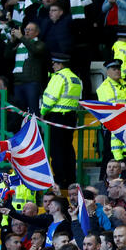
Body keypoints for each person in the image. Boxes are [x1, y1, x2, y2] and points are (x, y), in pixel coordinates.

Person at [41, 53, 83, 187]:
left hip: (57, 117)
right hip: (70, 117)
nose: (53, 66)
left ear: (60, 64)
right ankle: (70, 178)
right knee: (68, 149)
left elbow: (50, 99)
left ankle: (60, 179)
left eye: (54, 64)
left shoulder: (59, 77)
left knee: (56, 150)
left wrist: (43, 112)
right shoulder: (75, 78)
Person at [7, 22, 47, 114]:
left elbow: (35, 50)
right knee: (20, 112)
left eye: (30, 30)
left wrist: (21, 37)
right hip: (18, 83)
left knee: (33, 111)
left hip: (32, 83)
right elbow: (7, 55)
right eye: (26, 29)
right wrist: (12, 41)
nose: (27, 32)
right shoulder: (19, 45)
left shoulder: (39, 44)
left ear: (37, 33)